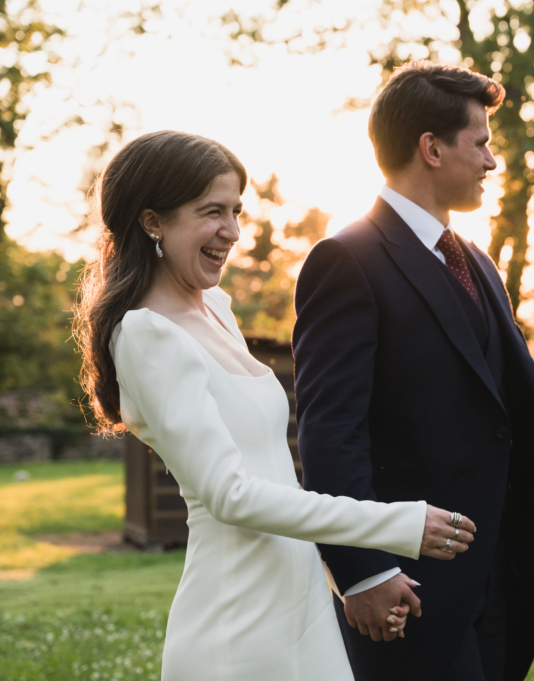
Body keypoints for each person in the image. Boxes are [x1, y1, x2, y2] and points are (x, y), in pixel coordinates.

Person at [73, 130, 480, 681]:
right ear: (152, 222)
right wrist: (396, 524)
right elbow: (231, 495)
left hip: (304, 606)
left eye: (237, 211)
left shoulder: (216, 307)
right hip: (236, 625)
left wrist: (352, 577)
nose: (233, 232)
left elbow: (277, 480)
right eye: (211, 212)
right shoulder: (147, 335)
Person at [292, 62, 534, 681]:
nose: (492, 161)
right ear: (431, 149)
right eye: (481, 142)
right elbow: (330, 433)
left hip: (498, 572)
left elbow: (526, 412)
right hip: (408, 582)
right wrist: (365, 572)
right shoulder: (345, 260)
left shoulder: (477, 263)